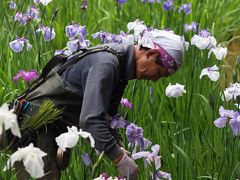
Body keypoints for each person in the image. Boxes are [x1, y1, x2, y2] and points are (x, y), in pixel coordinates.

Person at [10, 29, 187, 180]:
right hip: (35, 130)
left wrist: (118, 146)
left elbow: (106, 117)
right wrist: (119, 159)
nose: (155, 80)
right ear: (151, 54)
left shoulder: (120, 67)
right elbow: (91, 120)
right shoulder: (107, 64)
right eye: (159, 73)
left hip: (49, 130)